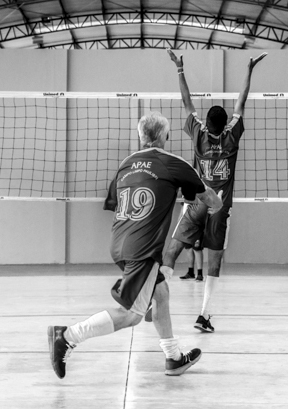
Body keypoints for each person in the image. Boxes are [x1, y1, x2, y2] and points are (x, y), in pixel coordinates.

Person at [48, 112, 223, 379]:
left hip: (118, 242)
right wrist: (217, 204)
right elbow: (206, 197)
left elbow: (115, 202)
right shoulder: (172, 163)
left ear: (140, 136)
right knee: (132, 315)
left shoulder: (126, 164)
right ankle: (68, 336)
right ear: (165, 136)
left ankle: (174, 357)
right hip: (143, 249)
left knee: (161, 293)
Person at [163, 50, 266, 334]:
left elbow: (187, 102)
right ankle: (204, 315)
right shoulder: (232, 136)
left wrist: (180, 68)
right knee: (215, 261)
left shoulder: (198, 134)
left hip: (196, 203)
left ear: (207, 124)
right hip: (220, 208)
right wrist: (249, 70)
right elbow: (241, 102)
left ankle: (154, 297)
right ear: (225, 124)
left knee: (172, 251)